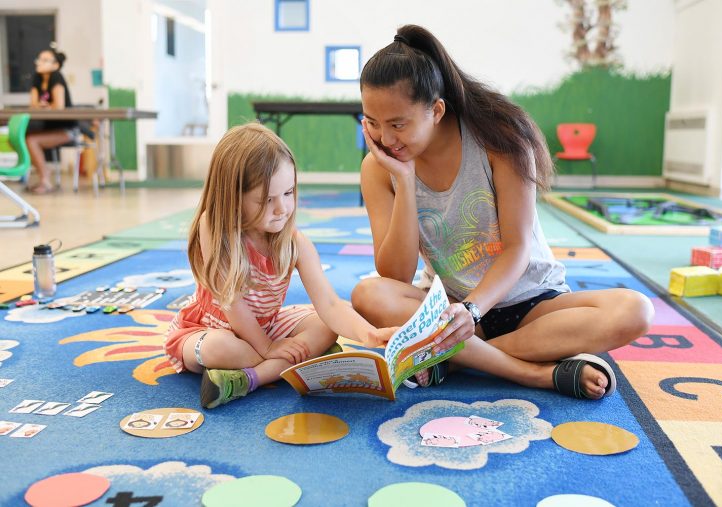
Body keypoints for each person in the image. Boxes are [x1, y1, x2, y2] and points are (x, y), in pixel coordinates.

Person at [351, 25, 654, 400]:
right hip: (445, 309)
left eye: (398, 124)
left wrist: (473, 311)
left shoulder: (501, 140)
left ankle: (455, 360)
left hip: (531, 304)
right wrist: (405, 181)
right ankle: (530, 371)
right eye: (372, 123)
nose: (385, 138)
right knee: (368, 294)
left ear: (436, 110)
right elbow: (394, 273)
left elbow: (517, 248)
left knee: (635, 310)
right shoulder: (378, 168)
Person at [163, 122, 395, 409]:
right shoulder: (214, 227)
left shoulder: (296, 243)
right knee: (219, 348)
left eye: (288, 193)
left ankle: (250, 378)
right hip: (209, 328)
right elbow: (232, 304)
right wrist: (269, 347)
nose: (282, 208)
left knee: (327, 327)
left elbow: (331, 306)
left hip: (266, 327)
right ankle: (301, 361)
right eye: (266, 199)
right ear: (232, 198)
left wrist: (369, 334)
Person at [26, 45, 79, 194]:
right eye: (39, 59)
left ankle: (45, 178)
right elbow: (33, 105)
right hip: (50, 129)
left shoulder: (57, 76)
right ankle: (44, 172)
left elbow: (59, 106)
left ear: (55, 65)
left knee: (31, 140)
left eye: (45, 60)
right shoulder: (37, 78)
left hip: (68, 130)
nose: (39, 63)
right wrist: (42, 106)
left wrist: (44, 106)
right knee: (24, 138)